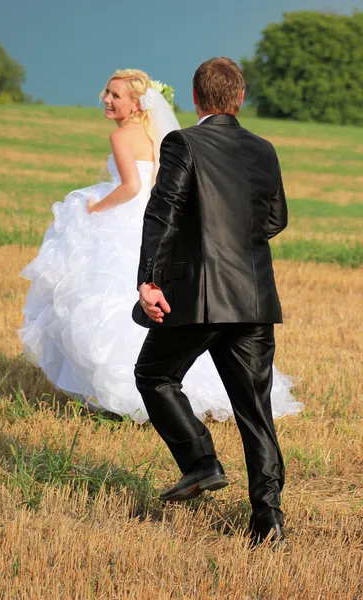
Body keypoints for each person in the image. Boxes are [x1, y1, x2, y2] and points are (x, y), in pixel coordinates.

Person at [19, 68, 302, 432]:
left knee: (144, 350)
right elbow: (275, 219)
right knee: (245, 389)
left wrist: (96, 211)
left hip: (157, 240)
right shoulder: (245, 146)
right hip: (243, 285)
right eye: (107, 92)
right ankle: (263, 486)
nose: (107, 99)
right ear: (241, 95)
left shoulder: (153, 139)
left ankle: (190, 452)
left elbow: (143, 196)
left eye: (114, 95)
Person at [134, 58, 291, 546]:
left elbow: (164, 212)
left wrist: (148, 280)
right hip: (253, 298)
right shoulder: (264, 149)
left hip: (197, 298)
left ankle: (201, 463)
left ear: (197, 98)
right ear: (239, 99)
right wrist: (238, 245)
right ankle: (268, 522)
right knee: (255, 412)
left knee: (155, 376)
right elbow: (276, 218)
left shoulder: (183, 142)